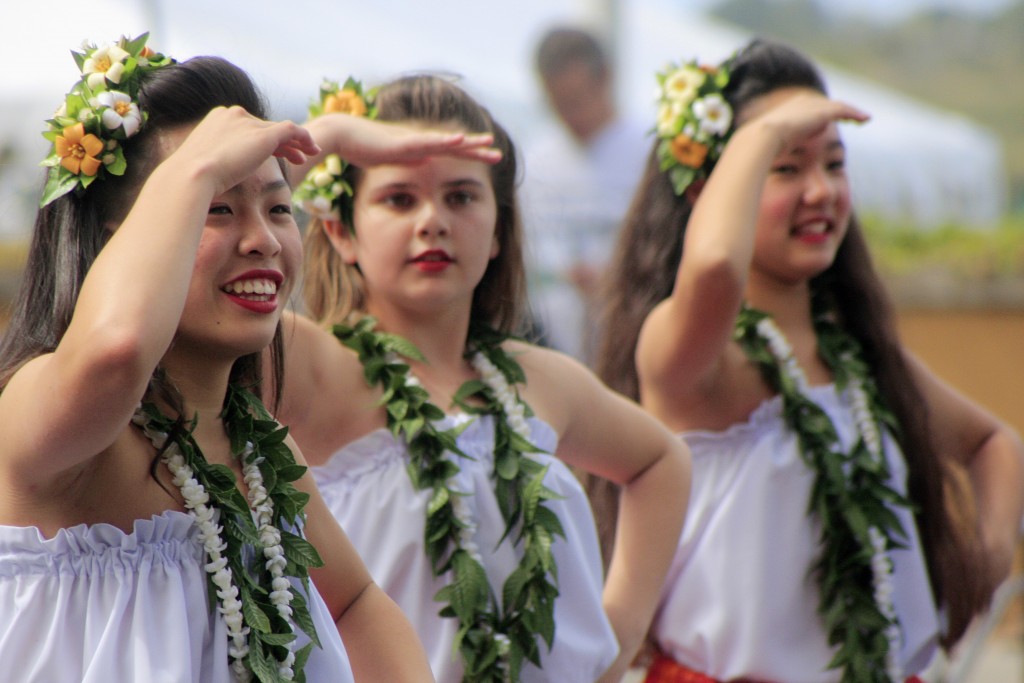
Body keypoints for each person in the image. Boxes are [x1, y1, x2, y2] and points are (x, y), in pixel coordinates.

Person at [0, 34, 497, 682]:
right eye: (216, 208)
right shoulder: (51, 424)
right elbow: (116, 349)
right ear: (113, 245)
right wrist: (195, 165)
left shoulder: (258, 450)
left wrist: (321, 138)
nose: (262, 239)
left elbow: (356, 602)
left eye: (279, 207)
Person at [593, 38, 1024, 682]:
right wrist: (764, 129)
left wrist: (987, 555)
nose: (820, 191)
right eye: (787, 167)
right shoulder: (689, 357)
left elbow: (995, 442)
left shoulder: (855, 355)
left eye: (834, 163)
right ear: (708, 190)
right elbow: (712, 266)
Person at [273, 73, 692, 683]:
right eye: (399, 198)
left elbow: (663, 461)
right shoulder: (314, 367)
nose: (433, 221)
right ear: (339, 230)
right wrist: (325, 140)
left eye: (462, 197)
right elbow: (188, 280)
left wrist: (618, 637)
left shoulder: (536, 378)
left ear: (499, 230)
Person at [520, 26, 648, 363]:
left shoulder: (651, 153)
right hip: (555, 344)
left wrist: (618, 274)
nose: (570, 117)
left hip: (635, 336)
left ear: (604, 78)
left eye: (576, 101)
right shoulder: (536, 162)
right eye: (558, 104)